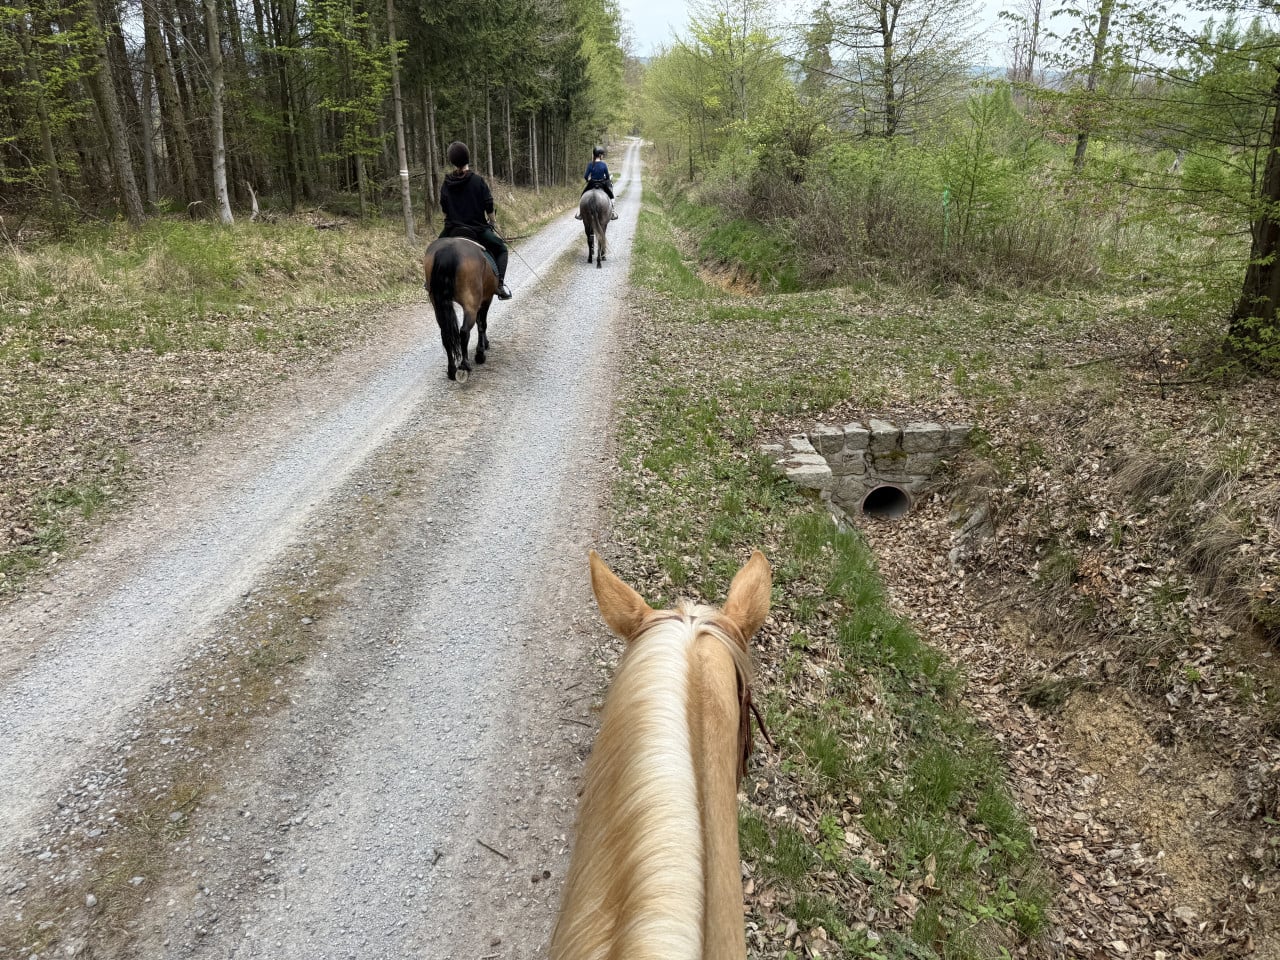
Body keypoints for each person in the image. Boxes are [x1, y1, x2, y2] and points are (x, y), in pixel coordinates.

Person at [439, 141, 511, 300]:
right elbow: (489, 205)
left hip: (452, 229)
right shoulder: (478, 181)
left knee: (435, 250)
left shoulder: (446, 182)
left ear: (452, 160)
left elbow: (444, 209)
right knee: (502, 249)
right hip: (477, 231)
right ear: (467, 158)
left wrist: (450, 221)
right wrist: (492, 221)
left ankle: (432, 282)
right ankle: (499, 286)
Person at [575, 146, 618, 221]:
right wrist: (605, 179)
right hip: (602, 183)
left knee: (582, 195)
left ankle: (580, 213)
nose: (603, 156)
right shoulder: (603, 164)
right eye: (602, 155)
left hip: (592, 183)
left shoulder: (590, 164)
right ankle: (613, 212)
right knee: (611, 196)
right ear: (600, 155)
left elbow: (585, 176)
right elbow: (607, 176)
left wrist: (589, 180)